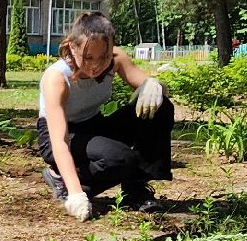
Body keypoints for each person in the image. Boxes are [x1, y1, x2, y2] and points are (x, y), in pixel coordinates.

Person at [37, 11, 173, 220]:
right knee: (121, 158)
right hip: (60, 135)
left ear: (112, 49)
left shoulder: (117, 59)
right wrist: (75, 193)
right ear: (73, 48)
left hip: (92, 124)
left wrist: (155, 85)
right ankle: (65, 180)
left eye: (104, 57)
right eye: (88, 57)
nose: (95, 65)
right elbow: (60, 142)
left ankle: (135, 189)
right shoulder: (57, 77)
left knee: (161, 107)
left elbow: (152, 88)